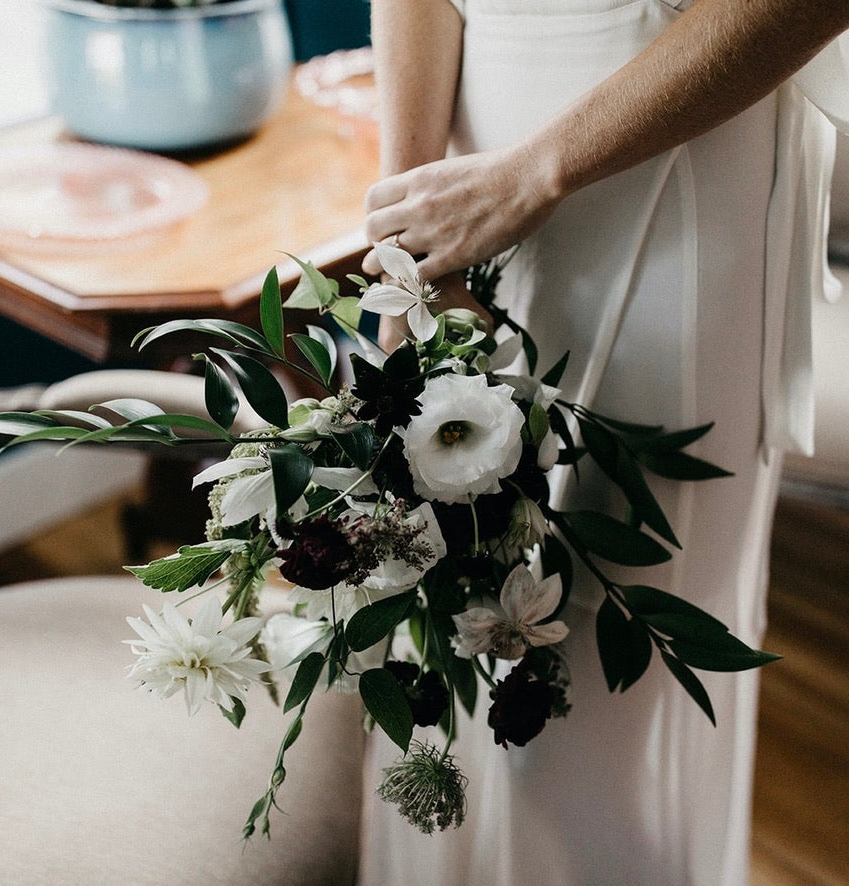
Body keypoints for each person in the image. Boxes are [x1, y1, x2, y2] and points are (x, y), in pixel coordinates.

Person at [358, 2, 849, 884]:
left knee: (588, 707)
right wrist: (411, 243)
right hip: (468, 149)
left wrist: (537, 173)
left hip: (673, 160)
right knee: (453, 644)